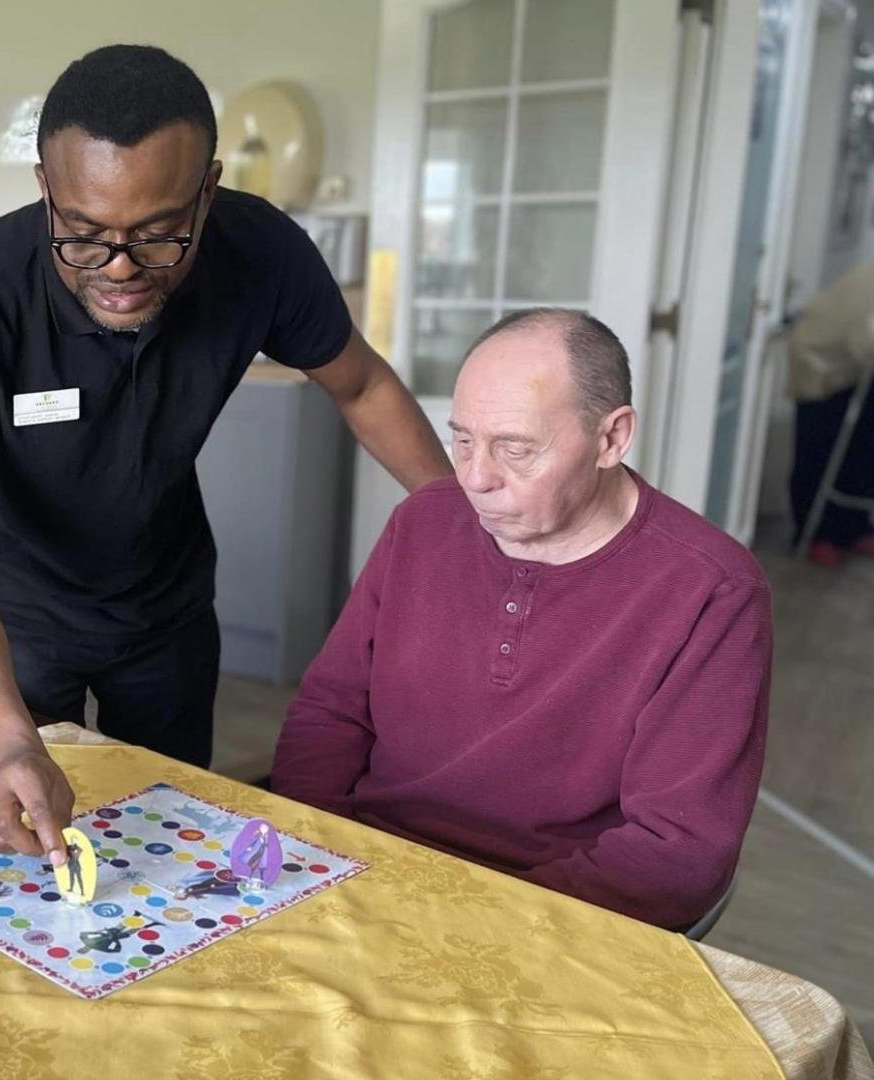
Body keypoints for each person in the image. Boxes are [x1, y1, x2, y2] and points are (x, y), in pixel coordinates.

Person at [0, 45, 451, 864]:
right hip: (13, 621)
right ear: (45, 190)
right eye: (83, 235)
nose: (120, 270)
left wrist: (461, 528)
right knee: (22, 847)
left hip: (167, 609)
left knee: (174, 840)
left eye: (159, 236)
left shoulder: (260, 254)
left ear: (210, 189)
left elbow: (361, 386)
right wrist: (11, 743)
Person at [271, 309, 772, 929]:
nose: (476, 478)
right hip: (367, 876)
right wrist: (315, 854)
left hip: (546, 920)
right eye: (462, 440)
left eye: (515, 448)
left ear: (611, 439)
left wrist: (470, 920)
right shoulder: (423, 522)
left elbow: (676, 852)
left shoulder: (712, 589)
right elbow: (329, 713)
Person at [787, 262, 874, 565]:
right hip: (818, 365)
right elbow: (867, 343)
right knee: (818, 450)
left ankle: (853, 528)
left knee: (860, 450)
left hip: (849, 371)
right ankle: (815, 535)